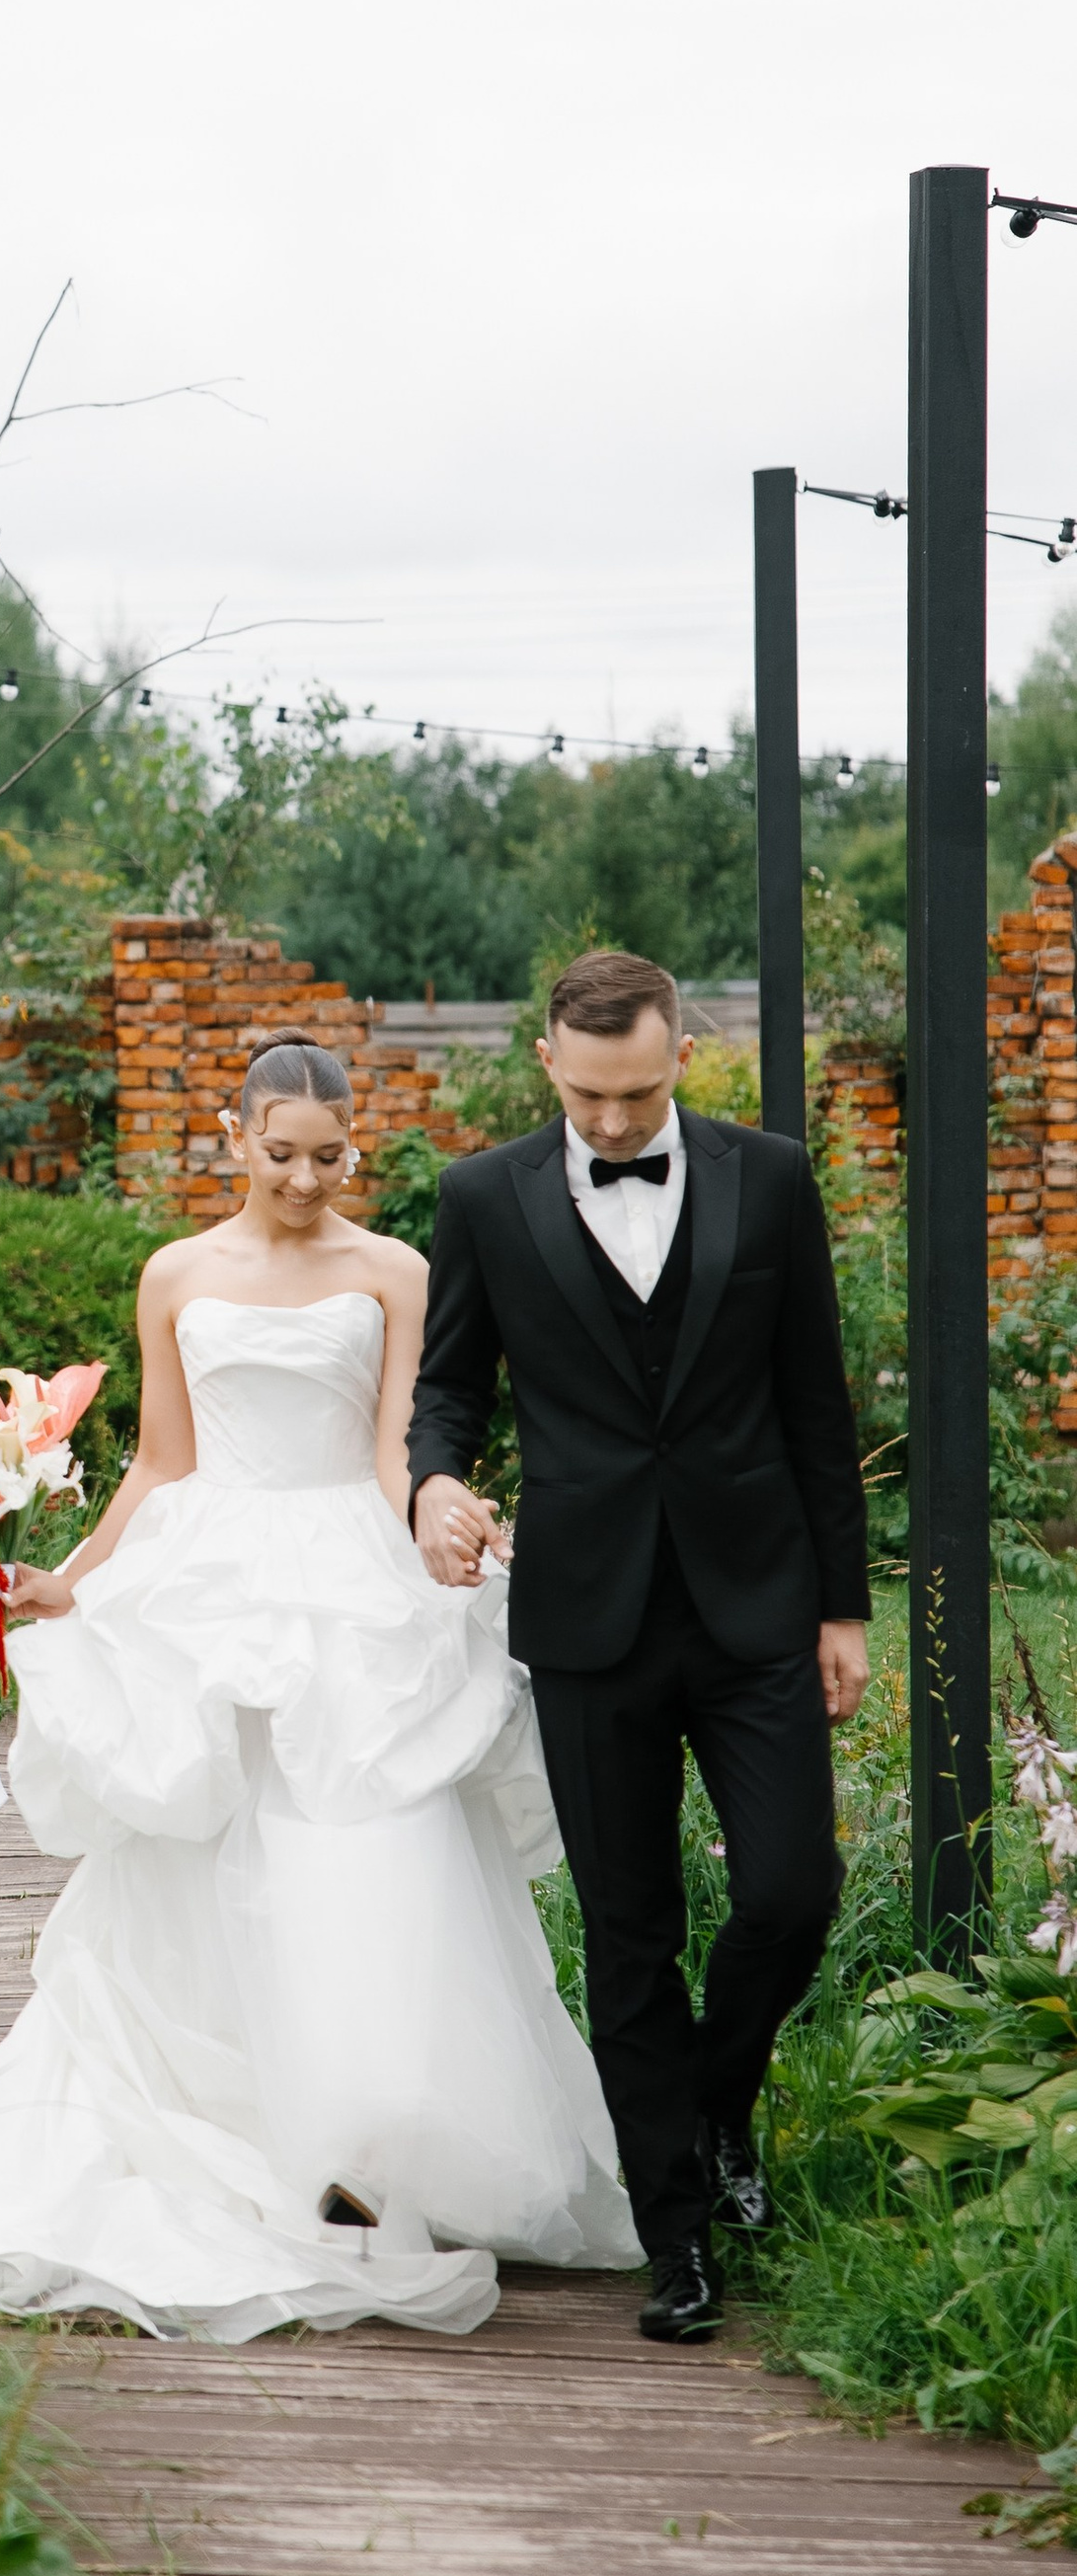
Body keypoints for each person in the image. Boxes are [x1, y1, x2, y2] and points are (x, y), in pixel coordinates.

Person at [0, 1033, 636, 2341]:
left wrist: (438, 1533)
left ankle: (362, 2161)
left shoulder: (396, 1271)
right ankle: (235, 2137)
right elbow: (158, 1463)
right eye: (282, 1153)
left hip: (347, 1568)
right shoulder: (177, 1275)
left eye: (330, 1156)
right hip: (213, 1572)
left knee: (370, 1847)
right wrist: (71, 1579)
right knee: (207, 1854)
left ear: (353, 1146)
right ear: (234, 1136)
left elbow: (395, 1446)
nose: (305, 1179)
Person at [405, 946, 868, 2346]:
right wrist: (432, 1482)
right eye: (591, 1096)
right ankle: (676, 2238)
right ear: (548, 1060)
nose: (613, 1123)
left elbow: (815, 1402)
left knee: (792, 1889)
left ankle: (719, 2099)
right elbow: (445, 1392)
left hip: (757, 1603)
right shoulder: (484, 1196)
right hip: (590, 1615)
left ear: (681, 1059)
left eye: (640, 1094)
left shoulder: (768, 1177)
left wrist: (842, 1606)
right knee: (630, 1932)